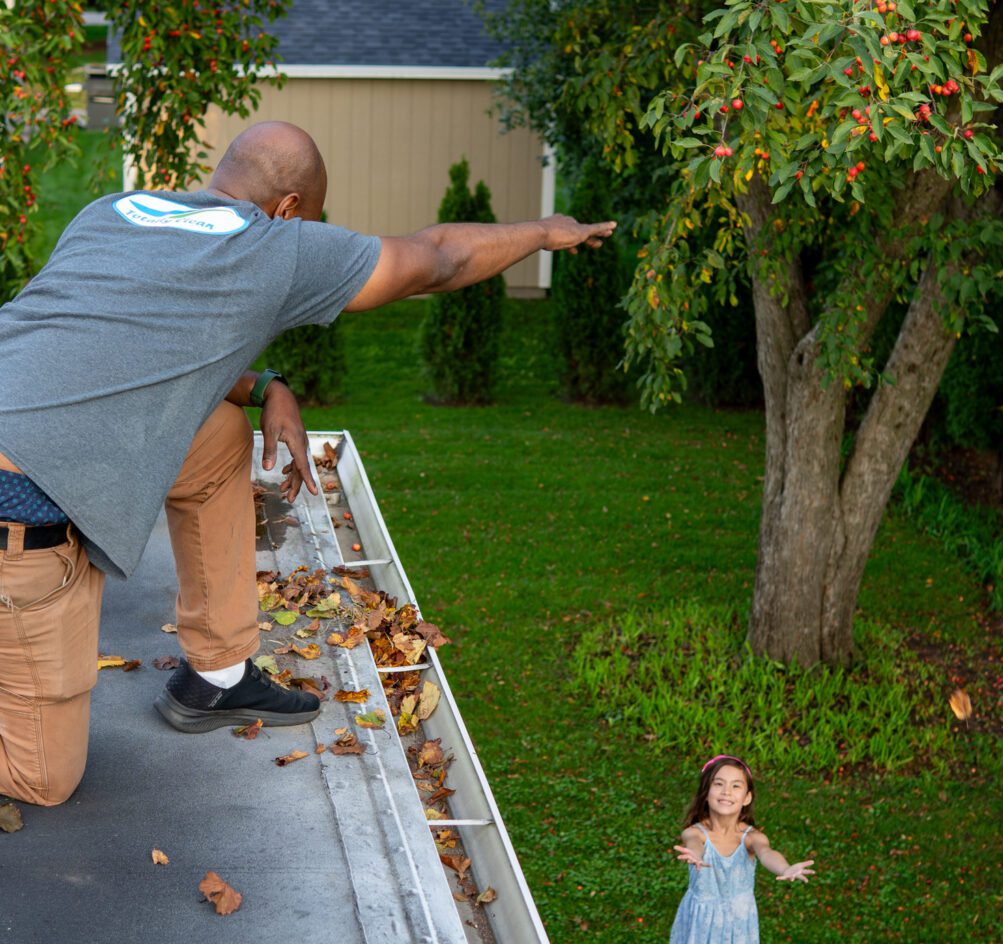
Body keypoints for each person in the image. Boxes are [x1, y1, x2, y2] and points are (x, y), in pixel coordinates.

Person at [0, 120, 616, 807]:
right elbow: (437, 256)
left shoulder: (115, 211)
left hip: (27, 445)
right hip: (19, 516)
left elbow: (112, 348)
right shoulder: (274, 247)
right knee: (44, 780)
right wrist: (541, 231)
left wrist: (266, 385)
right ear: (291, 208)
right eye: (311, 219)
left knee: (218, 437)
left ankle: (219, 677)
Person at [667, 754, 815, 944]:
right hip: (701, 925)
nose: (727, 792)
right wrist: (695, 855)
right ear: (706, 793)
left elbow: (768, 853)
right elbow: (694, 844)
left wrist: (785, 869)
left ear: (747, 797)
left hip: (735, 928)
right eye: (719, 784)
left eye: (736, 786)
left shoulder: (753, 837)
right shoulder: (695, 833)